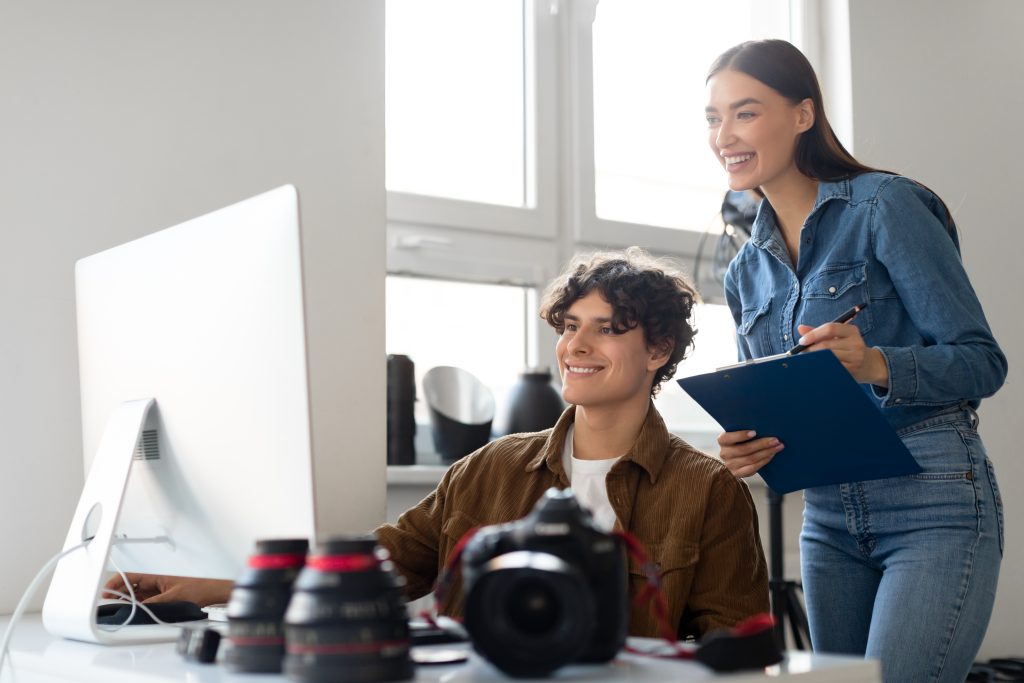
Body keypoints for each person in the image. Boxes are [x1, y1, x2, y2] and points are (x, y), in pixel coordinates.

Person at [107, 248, 769, 639]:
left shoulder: (707, 490)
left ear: (657, 349)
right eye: (570, 326)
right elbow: (373, 570)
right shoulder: (488, 468)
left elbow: (739, 648)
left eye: (607, 328)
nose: (577, 346)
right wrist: (211, 585)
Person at [705, 39, 1006, 682]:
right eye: (713, 117)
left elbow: (983, 363)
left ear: (804, 114)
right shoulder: (743, 272)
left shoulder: (884, 206)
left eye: (746, 112)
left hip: (934, 499)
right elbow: (772, 396)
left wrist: (875, 365)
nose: (724, 134)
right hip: (829, 517)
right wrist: (746, 446)